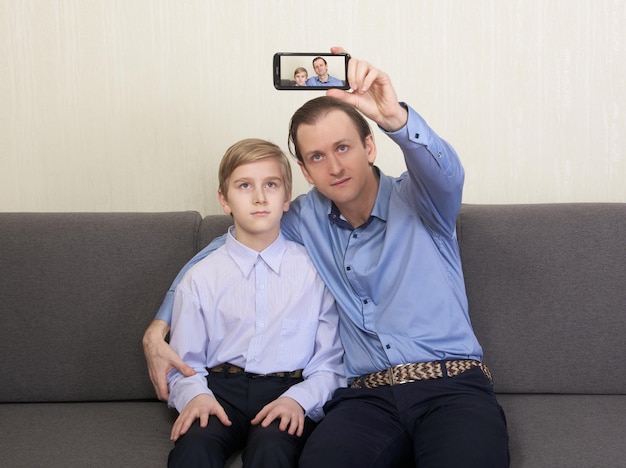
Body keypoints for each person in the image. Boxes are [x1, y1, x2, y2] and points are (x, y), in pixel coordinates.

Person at [144, 47, 510, 467]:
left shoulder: (424, 199)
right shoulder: (303, 219)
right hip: (365, 399)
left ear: (370, 146)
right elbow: (230, 249)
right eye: (317, 156)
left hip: (451, 386)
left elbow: (448, 175)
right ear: (304, 171)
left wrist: (396, 118)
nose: (334, 166)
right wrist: (159, 326)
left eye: (343, 147)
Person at [165, 138, 345, 468]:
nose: (260, 197)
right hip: (219, 390)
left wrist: (298, 400)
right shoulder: (201, 277)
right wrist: (196, 395)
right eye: (245, 185)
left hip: (288, 389)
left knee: (273, 450)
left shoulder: (314, 274)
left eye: (271, 185)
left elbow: (330, 364)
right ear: (224, 199)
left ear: (287, 198)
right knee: (194, 451)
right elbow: (184, 364)